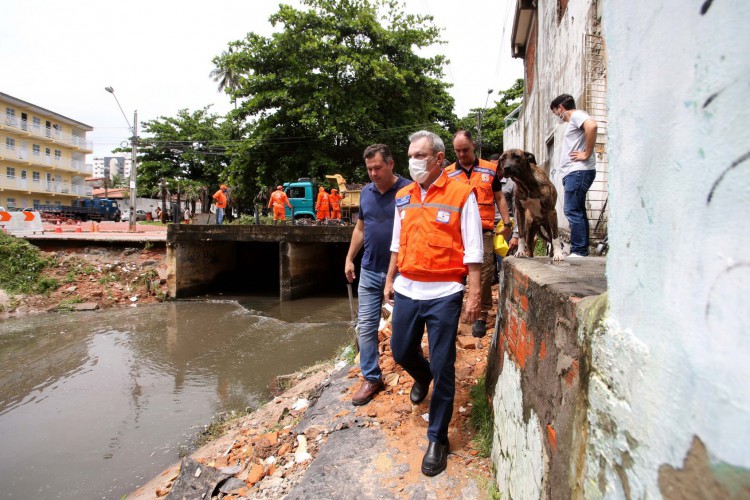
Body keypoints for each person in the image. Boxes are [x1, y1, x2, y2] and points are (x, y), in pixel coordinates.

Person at [384, 130, 483, 477]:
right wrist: (389, 279)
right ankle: (420, 376)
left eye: (420, 155)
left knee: (444, 366)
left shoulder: (461, 193)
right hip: (408, 289)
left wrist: (474, 294)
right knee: (400, 351)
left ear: (439, 158)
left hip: (444, 293)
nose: (413, 161)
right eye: (411, 155)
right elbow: (397, 243)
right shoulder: (404, 195)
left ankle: (437, 438)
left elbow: (473, 248)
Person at [345, 144, 411, 407]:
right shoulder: (365, 193)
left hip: (404, 271)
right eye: (369, 168)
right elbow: (360, 228)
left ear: (391, 164)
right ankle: (371, 377)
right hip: (370, 270)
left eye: (378, 167)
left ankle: (414, 370)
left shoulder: (409, 191)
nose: (373, 173)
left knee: (408, 326)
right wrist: (350, 258)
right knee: (366, 326)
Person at [445, 131, 512, 338]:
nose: (461, 154)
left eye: (465, 149)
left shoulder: (490, 169)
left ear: (474, 145)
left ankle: (481, 314)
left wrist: (507, 222)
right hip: (456, 231)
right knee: (456, 271)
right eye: (457, 151)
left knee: (484, 272)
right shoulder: (447, 173)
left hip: (483, 229)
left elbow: (499, 198)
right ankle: (454, 310)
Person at [550, 93, 598, 257]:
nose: (557, 116)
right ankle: (581, 249)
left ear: (560, 108)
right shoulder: (576, 119)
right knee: (577, 210)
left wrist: (586, 153)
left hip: (578, 171)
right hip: (576, 172)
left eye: (555, 112)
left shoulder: (577, 115)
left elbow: (592, 126)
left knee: (572, 210)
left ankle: (579, 250)